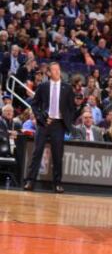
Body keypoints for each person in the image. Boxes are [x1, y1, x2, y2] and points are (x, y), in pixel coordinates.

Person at [24, 62, 74, 193]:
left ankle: (57, 183)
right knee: (37, 152)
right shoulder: (43, 86)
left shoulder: (67, 88)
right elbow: (34, 105)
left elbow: (71, 107)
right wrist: (41, 117)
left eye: (58, 69)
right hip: (44, 123)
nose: (57, 72)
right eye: (54, 70)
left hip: (58, 124)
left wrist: (66, 120)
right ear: (49, 73)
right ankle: (30, 181)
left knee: (58, 155)